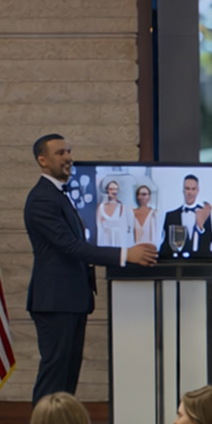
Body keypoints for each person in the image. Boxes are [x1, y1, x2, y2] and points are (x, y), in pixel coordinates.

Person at [24, 133, 157, 402]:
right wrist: (125, 254)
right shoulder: (42, 198)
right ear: (42, 160)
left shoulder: (58, 195)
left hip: (71, 299)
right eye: (60, 153)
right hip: (55, 301)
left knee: (67, 376)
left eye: (68, 151)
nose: (68, 157)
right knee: (55, 376)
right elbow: (70, 247)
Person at [159, 173, 212, 259]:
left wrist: (200, 227)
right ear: (183, 190)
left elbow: (210, 239)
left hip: (200, 263)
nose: (190, 193)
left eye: (193, 189)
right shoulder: (171, 216)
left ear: (197, 190)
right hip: (176, 263)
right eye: (187, 188)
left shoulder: (204, 212)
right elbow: (166, 245)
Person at [97, 177, 132, 247]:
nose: (114, 191)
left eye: (115, 189)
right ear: (107, 190)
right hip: (105, 242)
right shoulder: (101, 207)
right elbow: (99, 228)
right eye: (111, 189)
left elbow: (128, 229)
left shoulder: (123, 208)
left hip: (119, 243)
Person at [131, 182, 161, 246]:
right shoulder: (131, 213)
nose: (141, 197)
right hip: (134, 248)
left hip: (149, 248)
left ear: (149, 196)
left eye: (144, 194)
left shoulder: (154, 214)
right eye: (139, 194)